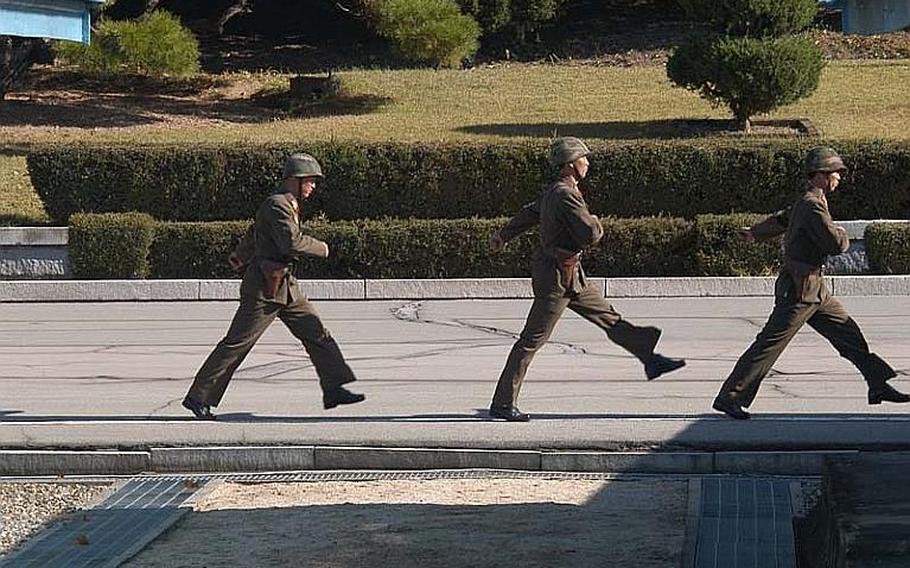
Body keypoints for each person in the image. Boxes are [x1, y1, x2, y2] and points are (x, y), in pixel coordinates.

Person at [487, 136, 686, 422]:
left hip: (571, 274)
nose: (588, 163)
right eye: (584, 159)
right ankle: (503, 404)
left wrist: (502, 235)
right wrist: (596, 222)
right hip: (557, 278)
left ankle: (650, 360)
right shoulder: (565, 194)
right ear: (570, 165)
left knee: (609, 317)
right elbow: (590, 234)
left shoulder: (555, 190)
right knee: (531, 340)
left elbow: (528, 214)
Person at [712, 146, 909, 420]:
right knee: (769, 344)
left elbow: (783, 218)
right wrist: (842, 233)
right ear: (820, 175)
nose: (839, 177)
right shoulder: (813, 205)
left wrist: (755, 232)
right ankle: (730, 397)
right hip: (800, 289)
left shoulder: (809, 201)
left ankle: (877, 385)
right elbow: (835, 244)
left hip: (815, 289)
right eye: (835, 172)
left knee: (848, 332)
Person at [182, 153, 364, 420]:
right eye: (310, 181)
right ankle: (199, 396)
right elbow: (290, 243)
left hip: (285, 284)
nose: (313, 186)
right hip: (264, 288)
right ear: (295, 180)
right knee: (237, 343)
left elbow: (255, 233)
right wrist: (323, 248)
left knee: (316, 332)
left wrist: (239, 256)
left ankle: (334, 387)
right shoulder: (278, 204)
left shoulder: (286, 203)